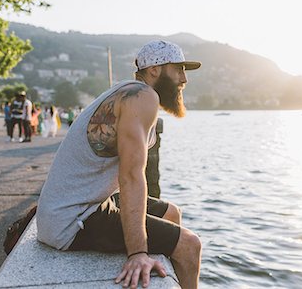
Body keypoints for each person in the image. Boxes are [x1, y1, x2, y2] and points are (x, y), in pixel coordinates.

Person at [37, 40, 202, 289]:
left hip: (80, 205)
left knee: (171, 213)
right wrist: (138, 253)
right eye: (178, 69)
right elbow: (131, 176)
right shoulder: (143, 97)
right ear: (155, 70)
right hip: (71, 220)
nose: (184, 79)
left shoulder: (127, 92)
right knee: (190, 245)